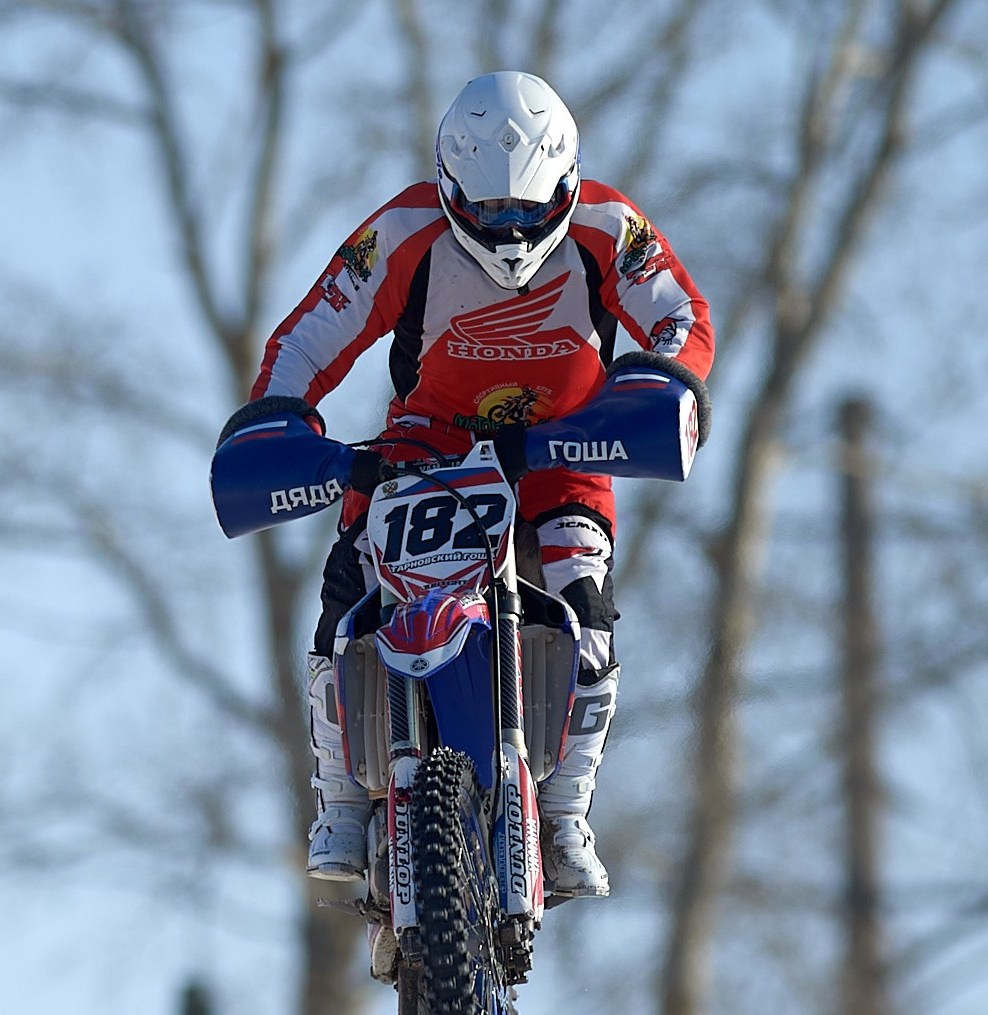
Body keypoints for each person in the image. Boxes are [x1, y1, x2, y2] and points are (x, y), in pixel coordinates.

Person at [218, 70, 715, 899]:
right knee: (346, 596)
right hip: (426, 446)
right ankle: (340, 795)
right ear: (451, 189)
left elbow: (682, 316)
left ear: (564, 188)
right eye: (489, 211)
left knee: (587, 610)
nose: (510, 230)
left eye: (527, 209)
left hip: (561, 447)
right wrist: (280, 416)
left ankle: (562, 814)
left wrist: (663, 382)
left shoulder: (606, 226)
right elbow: (310, 333)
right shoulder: (404, 232)